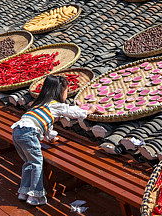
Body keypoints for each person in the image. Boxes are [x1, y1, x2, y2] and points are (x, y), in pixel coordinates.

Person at [11, 75, 97, 206]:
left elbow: (46, 124)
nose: (66, 94)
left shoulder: (40, 104)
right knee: (37, 163)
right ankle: (34, 196)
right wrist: (89, 111)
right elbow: (73, 112)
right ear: (60, 91)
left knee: (29, 162)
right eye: (66, 91)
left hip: (17, 131)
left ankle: (24, 192)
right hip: (29, 133)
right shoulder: (57, 105)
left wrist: (51, 137)